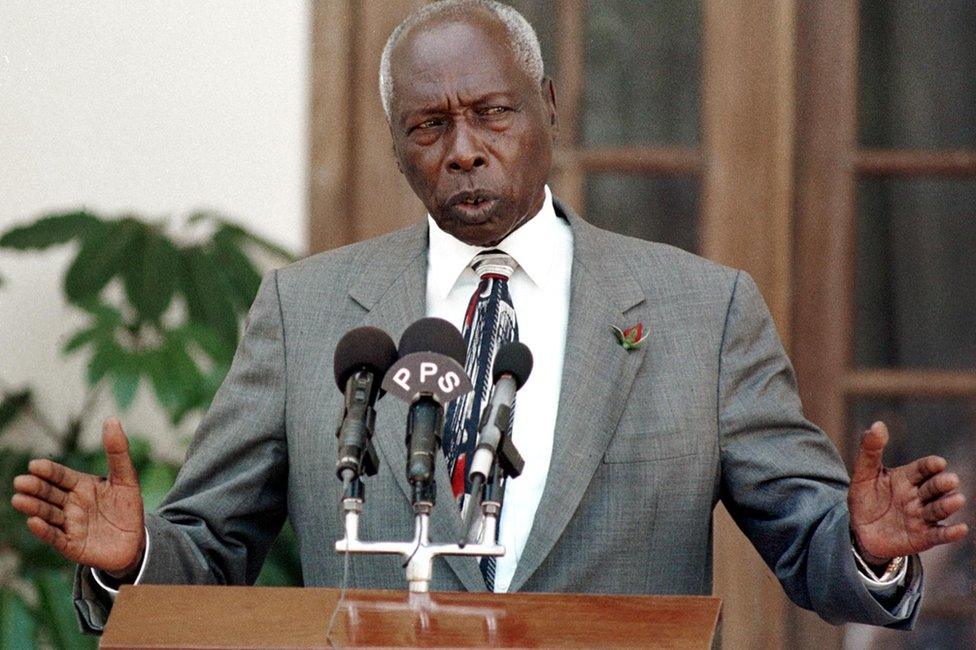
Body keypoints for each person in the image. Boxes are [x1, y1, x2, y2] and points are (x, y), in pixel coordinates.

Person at [11, 0, 968, 635]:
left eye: (492, 113)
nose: (464, 150)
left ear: (548, 107)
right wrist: (137, 558)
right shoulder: (305, 313)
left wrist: (865, 549)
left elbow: (808, 536)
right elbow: (209, 548)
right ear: (397, 148)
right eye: (430, 126)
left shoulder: (700, 312)